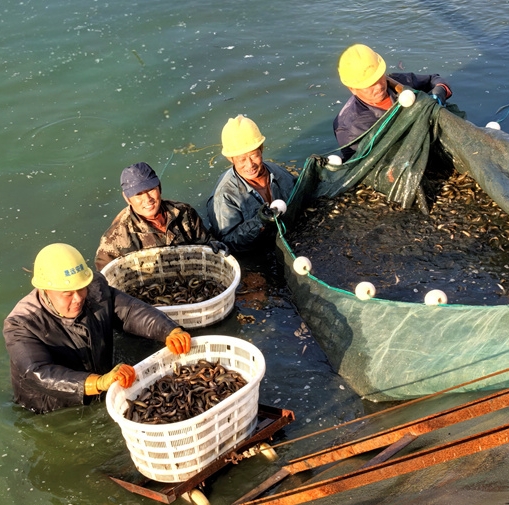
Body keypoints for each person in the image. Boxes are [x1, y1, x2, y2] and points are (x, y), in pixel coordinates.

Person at [3, 243, 191, 414]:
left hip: (104, 383)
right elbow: (38, 372)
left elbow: (129, 311)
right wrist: (98, 382)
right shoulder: (20, 325)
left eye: (81, 288)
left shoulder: (93, 288)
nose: (78, 298)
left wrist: (169, 330)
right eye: (67, 294)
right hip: (50, 408)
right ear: (45, 290)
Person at [334, 43, 460, 160]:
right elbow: (359, 166)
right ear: (353, 89)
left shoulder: (398, 82)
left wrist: (439, 93)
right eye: (370, 84)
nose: (379, 86)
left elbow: (435, 79)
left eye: (379, 77)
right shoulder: (350, 129)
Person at [95, 162, 227, 271]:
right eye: (138, 194)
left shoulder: (184, 212)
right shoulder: (114, 238)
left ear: (159, 187)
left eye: (150, 189)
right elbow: (106, 277)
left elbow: (203, 241)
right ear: (127, 198)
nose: (147, 199)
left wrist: (212, 244)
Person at [207, 115, 296, 252]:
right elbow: (227, 241)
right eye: (242, 159)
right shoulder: (224, 195)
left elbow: (300, 192)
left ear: (261, 149)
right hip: (258, 252)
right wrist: (259, 221)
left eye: (254, 155)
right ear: (231, 159)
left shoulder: (277, 172)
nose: (250, 165)